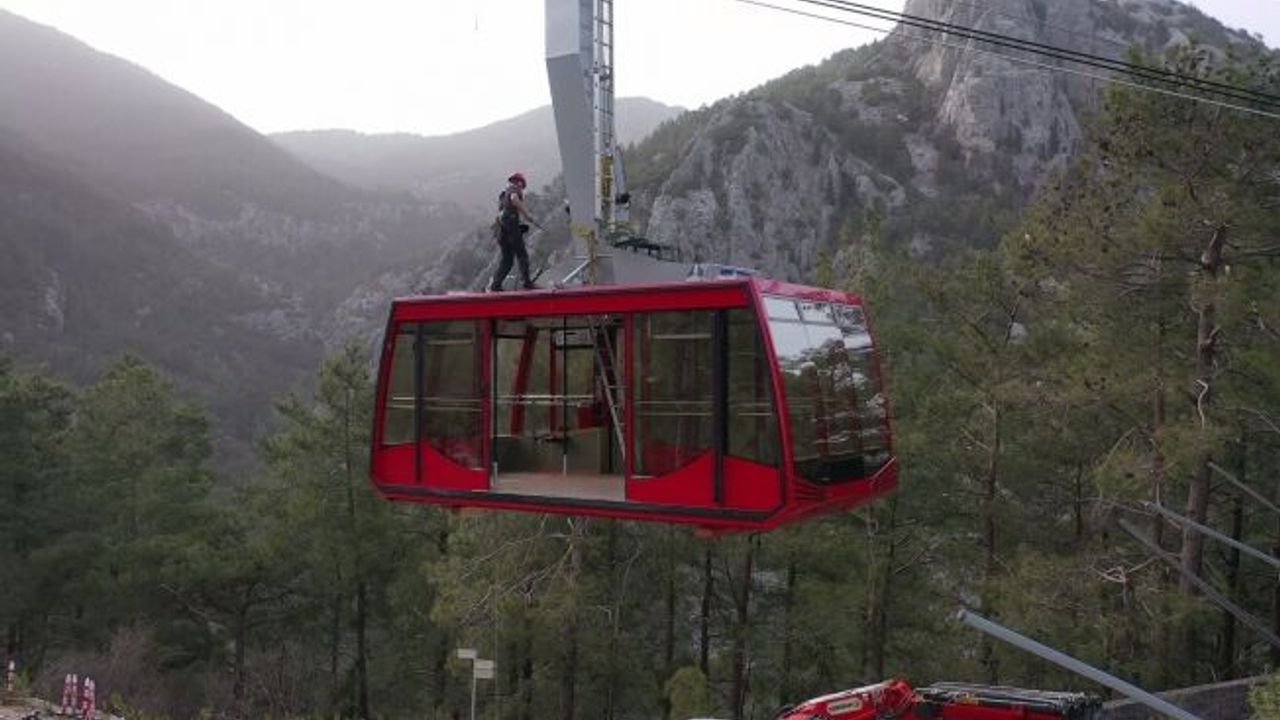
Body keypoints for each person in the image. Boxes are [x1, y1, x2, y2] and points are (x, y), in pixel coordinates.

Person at [489, 172, 543, 291]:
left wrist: (519, 226)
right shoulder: (514, 189)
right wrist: (527, 214)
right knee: (522, 255)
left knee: (507, 259)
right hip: (510, 224)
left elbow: (504, 213)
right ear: (519, 182)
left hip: (502, 229)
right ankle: (527, 283)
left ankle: (496, 285)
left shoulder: (503, 194)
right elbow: (514, 199)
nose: (522, 188)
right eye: (522, 186)